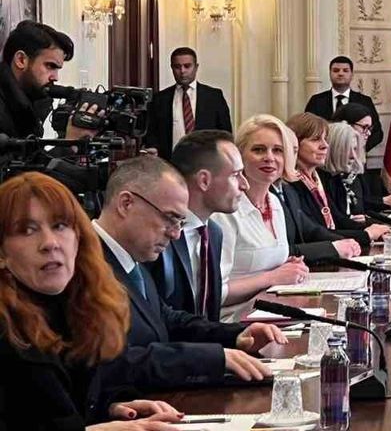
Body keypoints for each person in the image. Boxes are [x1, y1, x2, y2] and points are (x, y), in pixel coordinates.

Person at [0, 172, 186, 431]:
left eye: (60, 226)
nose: (50, 243)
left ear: (79, 238)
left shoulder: (82, 304)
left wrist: (108, 409)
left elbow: (50, 412)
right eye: (27, 230)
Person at [94, 156, 287, 388]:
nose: (176, 234)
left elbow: (167, 319)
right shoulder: (83, 265)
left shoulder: (130, 257)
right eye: (170, 218)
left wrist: (234, 335)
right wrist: (209, 358)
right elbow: (114, 362)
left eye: (180, 223)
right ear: (126, 204)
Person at [212, 115, 348, 321]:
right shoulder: (225, 211)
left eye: (277, 150)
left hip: (277, 312)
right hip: (236, 323)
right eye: (258, 150)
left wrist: (288, 265)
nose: (269, 157)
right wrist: (272, 277)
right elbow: (214, 293)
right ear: (240, 156)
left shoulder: (275, 202)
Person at [144, 130, 246, 320]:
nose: (244, 184)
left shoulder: (214, 232)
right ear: (204, 180)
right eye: (236, 175)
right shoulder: (157, 234)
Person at [285, 113, 391, 242]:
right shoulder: (290, 184)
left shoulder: (317, 178)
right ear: (295, 145)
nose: (325, 145)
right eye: (315, 139)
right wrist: (366, 235)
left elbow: (338, 219)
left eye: (325, 139)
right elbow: (314, 233)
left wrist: (374, 229)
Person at [0, 20, 97, 144]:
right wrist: (70, 143)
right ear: (21, 60)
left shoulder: (34, 101)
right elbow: (17, 156)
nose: (55, 77)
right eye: (50, 66)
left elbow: (33, 152)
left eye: (57, 69)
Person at [142, 47, 233, 160]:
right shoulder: (160, 99)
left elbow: (225, 134)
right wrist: (153, 149)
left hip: (206, 161)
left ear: (196, 67)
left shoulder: (214, 96)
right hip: (171, 162)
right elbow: (152, 133)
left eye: (187, 66)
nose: (182, 71)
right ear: (172, 68)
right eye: (177, 67)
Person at [332, 103, 391, 208]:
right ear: (345, 125)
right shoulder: (331, 163)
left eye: (370, 128)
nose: (368, 133)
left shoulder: (360, 157)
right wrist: (382, 201)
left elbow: (361, 198)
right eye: (364, 127)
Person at [304, 56, 383, 151]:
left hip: (356, 157)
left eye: (345, 70)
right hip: (324, 155)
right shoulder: (316, 100)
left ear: (352, 75)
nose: (340, 73)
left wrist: (357, 149)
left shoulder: (364, 101)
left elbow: (377, 133)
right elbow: (308, 129)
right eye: (336, 70)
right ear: (330, 74)